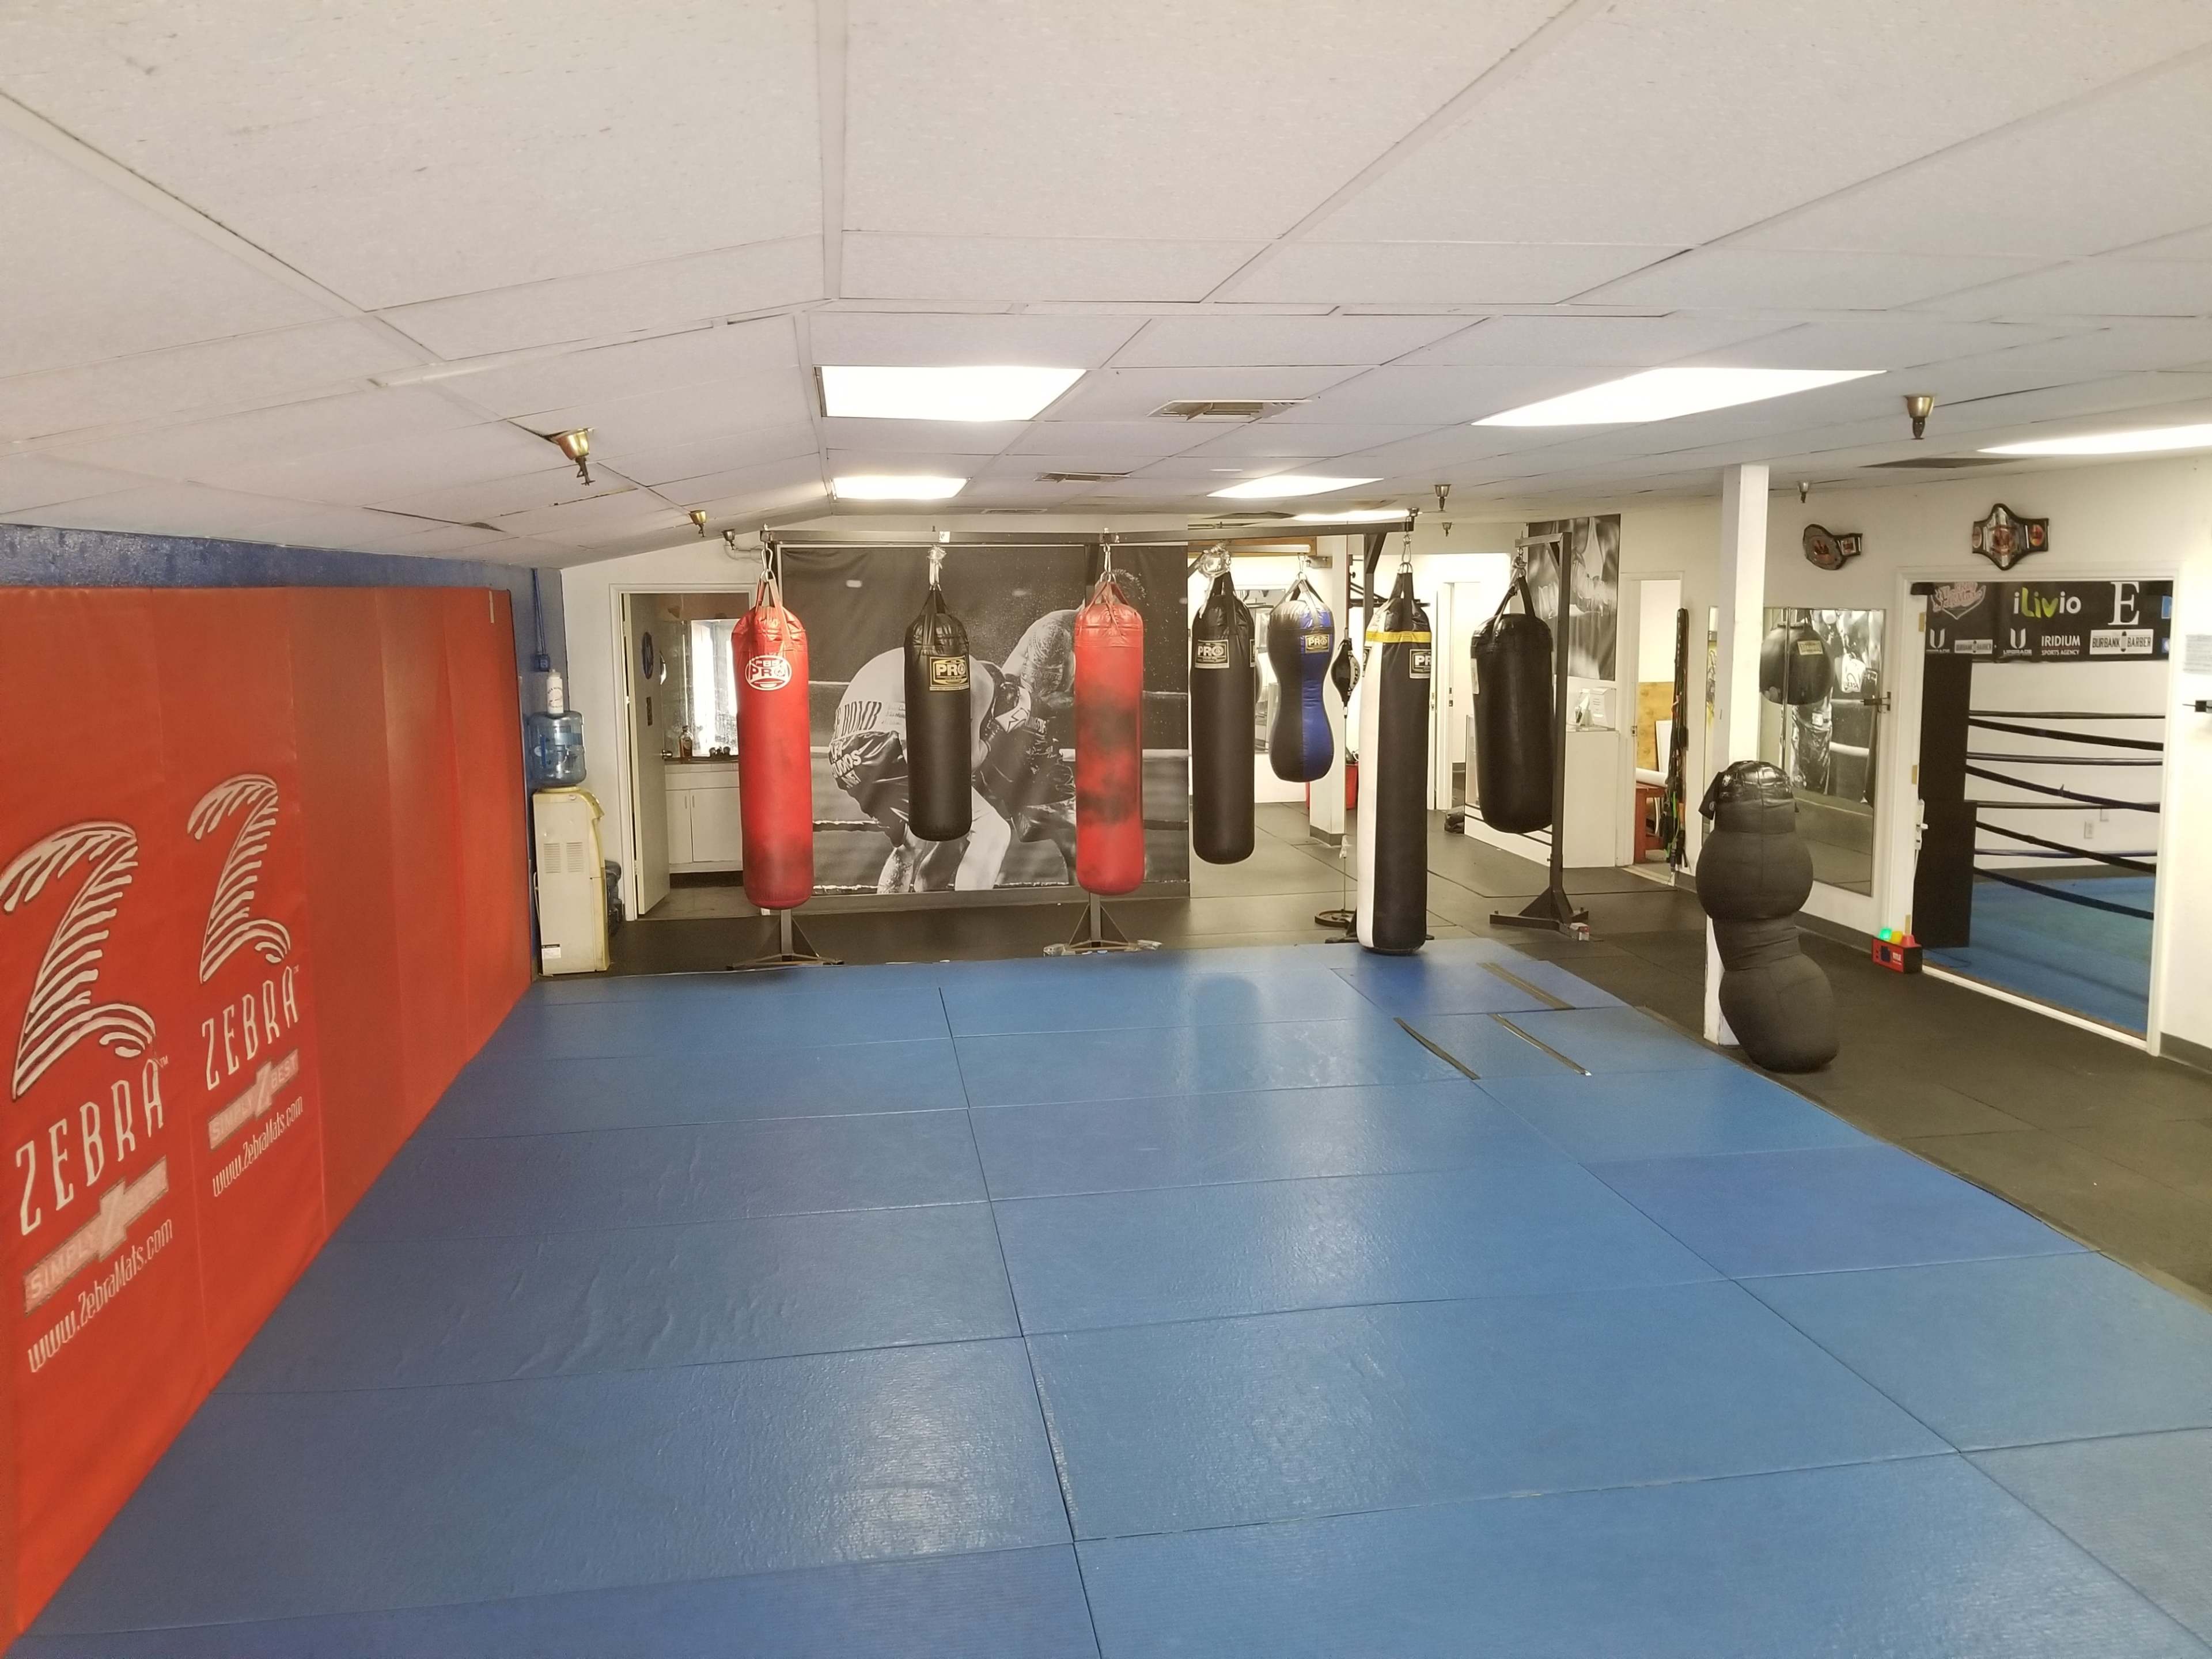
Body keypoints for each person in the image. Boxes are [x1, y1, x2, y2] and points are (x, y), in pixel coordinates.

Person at [830, 648, 1021, 892]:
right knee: (992, 829)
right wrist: (1001, 726)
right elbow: (969, 761)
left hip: (843, 756)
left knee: (911, 843)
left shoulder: (940, 674)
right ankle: (968, 915)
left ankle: (894, 913)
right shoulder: (982, 681)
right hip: (885, 741)